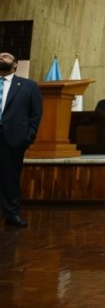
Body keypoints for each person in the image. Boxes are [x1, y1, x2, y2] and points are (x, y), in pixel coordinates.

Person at [0, 51, 43, 228]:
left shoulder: (28, 86)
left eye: (5, 56)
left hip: (13, 138)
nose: (1, 58)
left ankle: (12, 214)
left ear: (15, 64)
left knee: (9, 177)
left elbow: (36, 113)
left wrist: (28, 136)